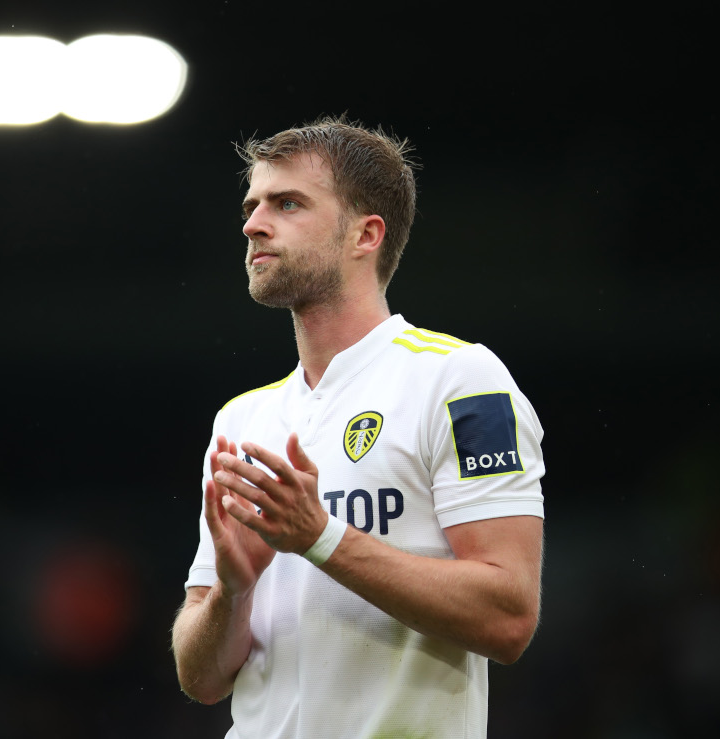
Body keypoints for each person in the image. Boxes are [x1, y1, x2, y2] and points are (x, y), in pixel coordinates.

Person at [171, 115, 545, 739]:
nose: (253, 224)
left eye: (287, 203)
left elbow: (509, 618)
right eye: (252, 204)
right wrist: (232, 593)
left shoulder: (462, 381)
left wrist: (320, 536)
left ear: (365, 235)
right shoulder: (241, 419)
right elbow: (201, 680)